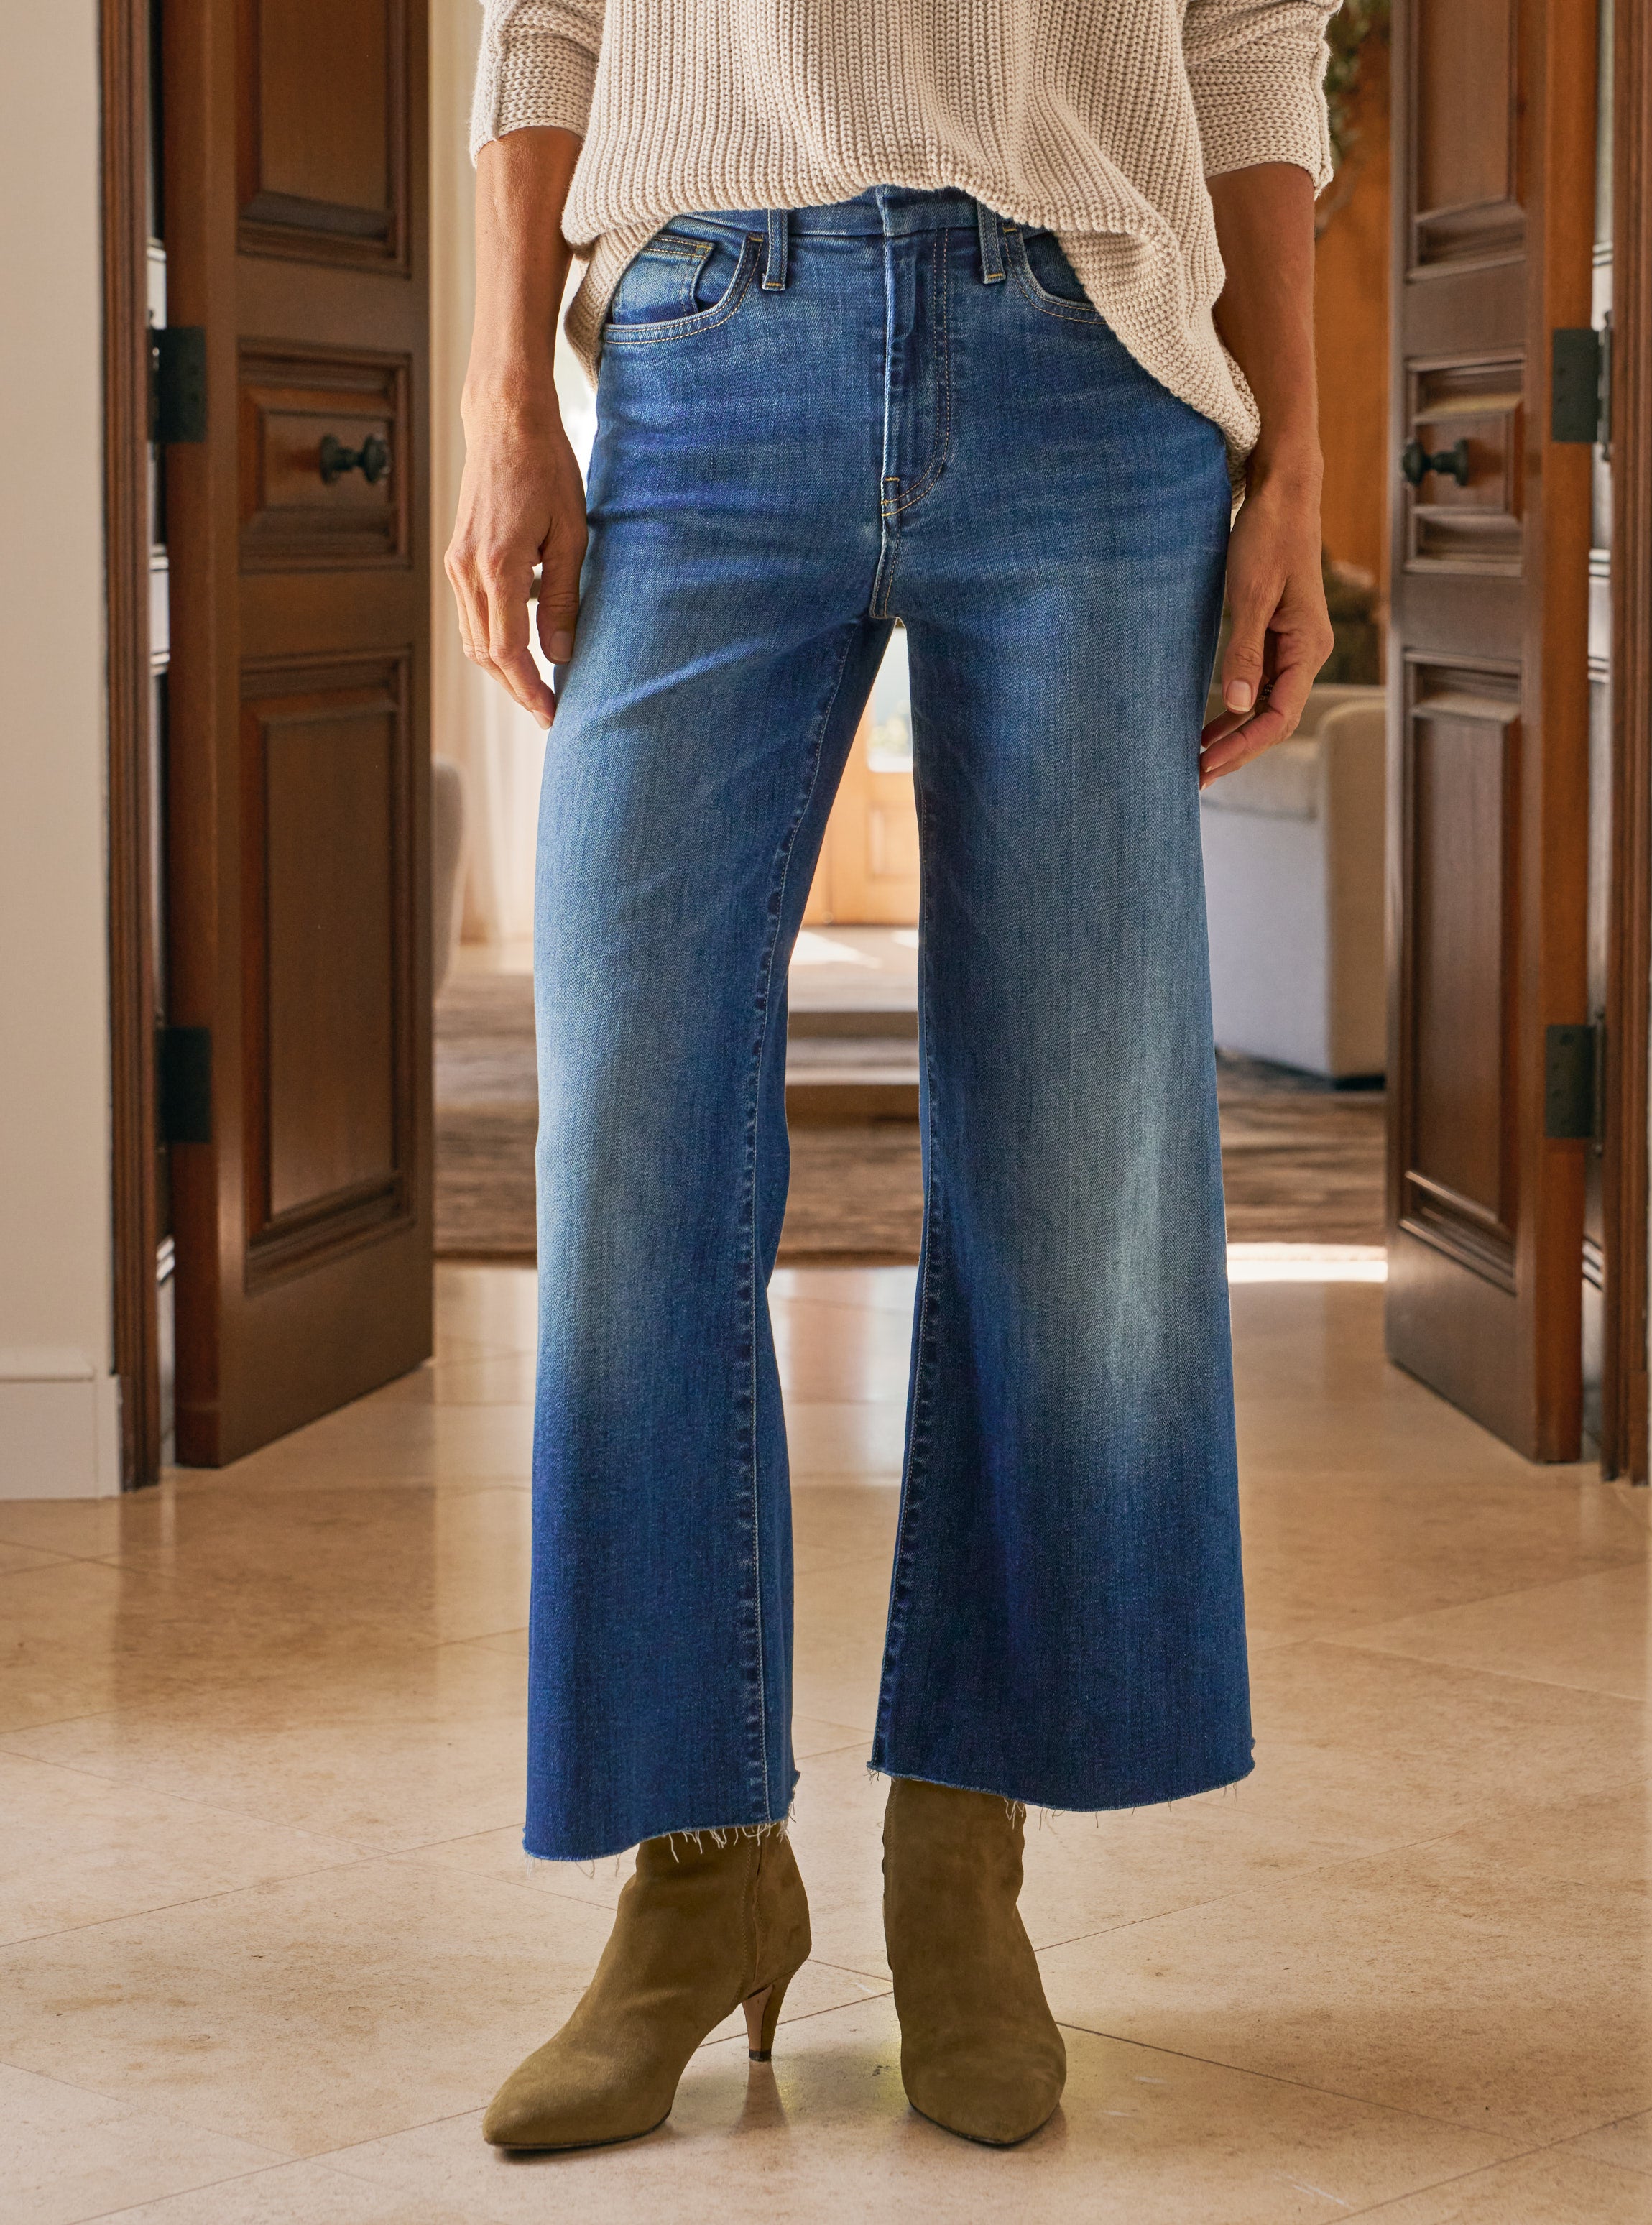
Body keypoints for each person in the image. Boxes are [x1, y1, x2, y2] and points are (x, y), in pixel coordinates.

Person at [447, 0, 1338, 2153]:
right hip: (704, 351)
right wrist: (501, 395)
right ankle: (695, 1880)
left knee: (1074, 1154)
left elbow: (1246, 41)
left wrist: (1295, 455)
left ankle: (962, 1866)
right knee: (632, 1143)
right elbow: (546, 22)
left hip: (1093, 360)